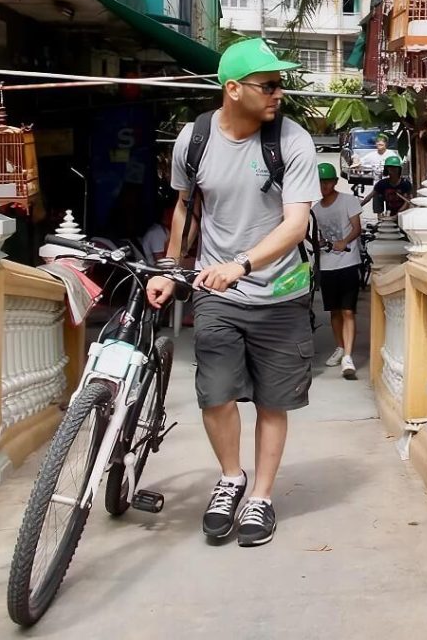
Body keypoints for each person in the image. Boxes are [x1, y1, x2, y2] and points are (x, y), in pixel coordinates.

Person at [146, 37, 321, 548]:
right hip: (217, 292)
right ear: (233, 89)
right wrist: (170, 268)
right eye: (268, 85)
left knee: (272, 401)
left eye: (280, 84)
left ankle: (261, 497)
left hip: (282, 291)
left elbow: (295, 225)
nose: (278, 94)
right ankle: (230, 477)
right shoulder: (193, 139)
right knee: (216, 393)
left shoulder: (293, 142)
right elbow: (186, 206)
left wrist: (240, 264)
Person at [313, 163, 363, 380]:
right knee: (333, 311)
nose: (324, 186)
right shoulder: (315, 210)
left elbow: (357, 227)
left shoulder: (348, 201)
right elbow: (314, 237)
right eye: (320, 182)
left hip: (349, 263)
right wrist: (321, 242)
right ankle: (340, 347)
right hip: (327, 265)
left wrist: (344, 242)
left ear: (334, 182)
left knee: (348, 311)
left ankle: (348, 357)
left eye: (327, 181)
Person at [352, 133, 390, 212]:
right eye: (378, 142)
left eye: (382, 142)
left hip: (390, 186)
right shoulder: (371, 155)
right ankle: (379, 219)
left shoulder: (391, 155)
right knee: (377, 207)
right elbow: (359, 162)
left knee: (391, 209)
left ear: (386, 144)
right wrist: (355, 159)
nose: (379, 143)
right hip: (377, 186)